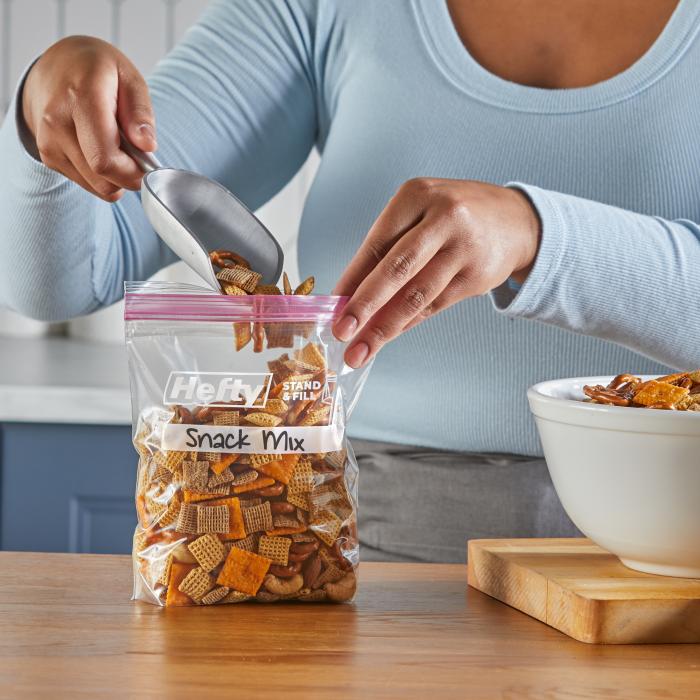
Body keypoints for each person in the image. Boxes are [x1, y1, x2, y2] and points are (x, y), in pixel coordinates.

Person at [1, 0, 697, 562]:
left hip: (674, 553)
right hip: (355, 549)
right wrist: (47, 110)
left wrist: (538, 235)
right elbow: (66, 276)